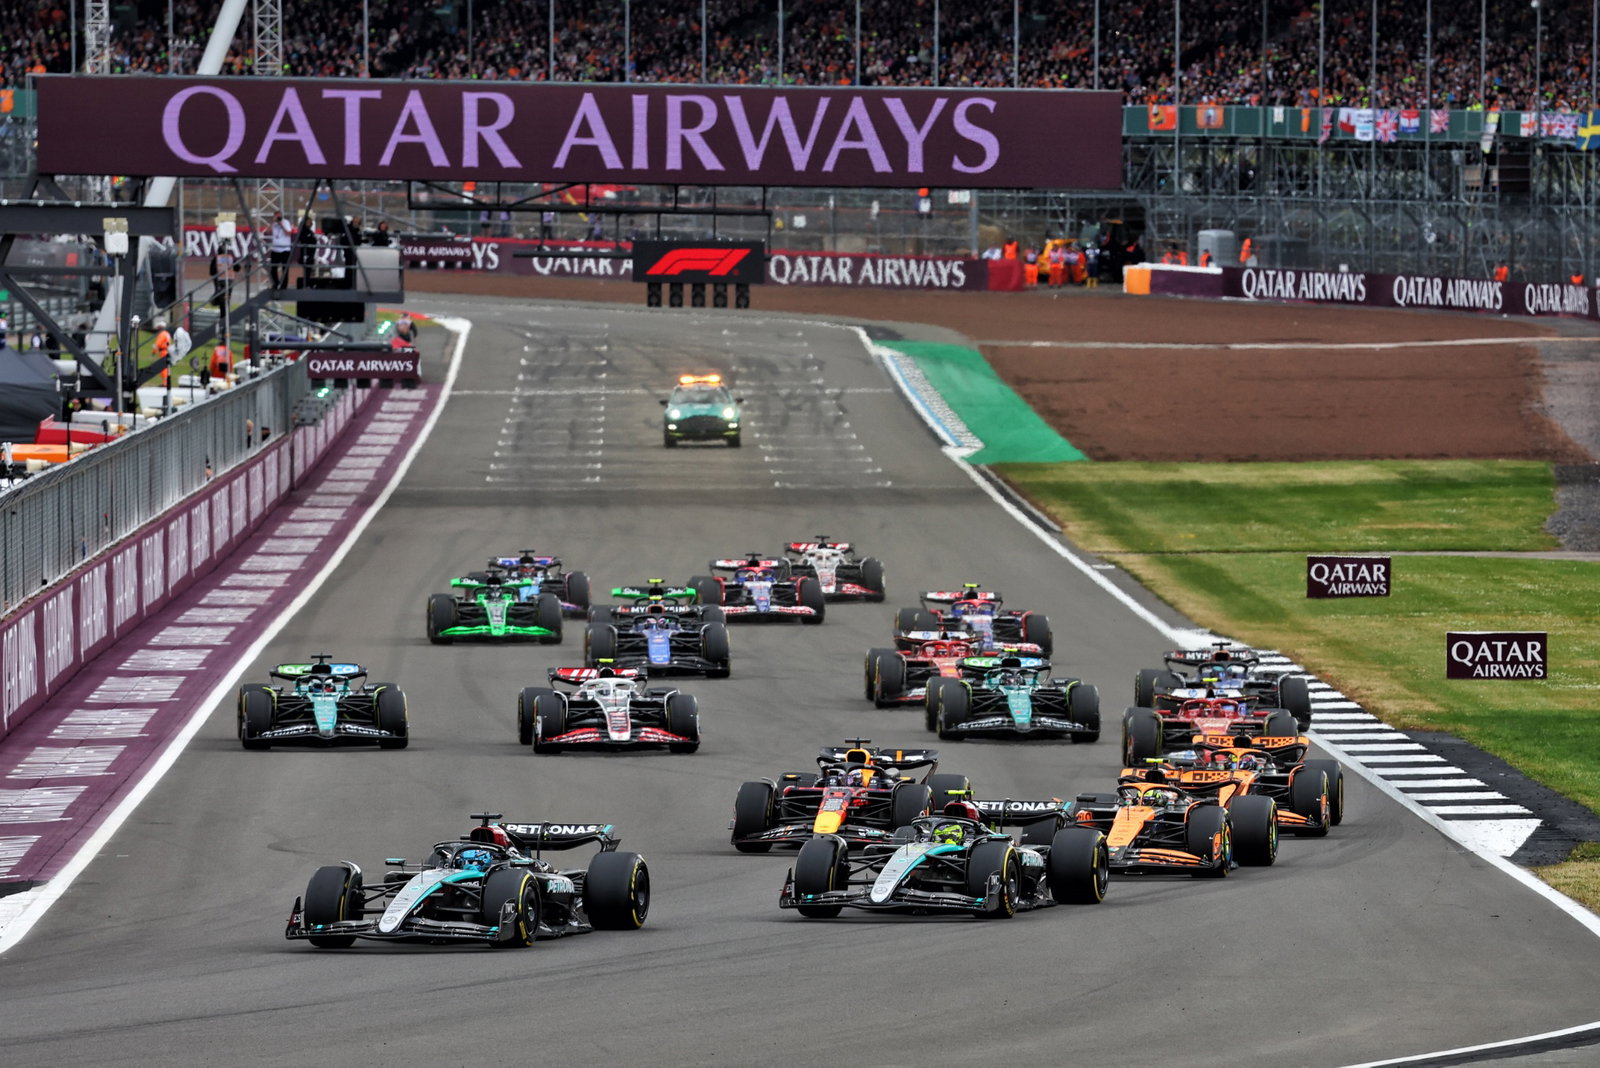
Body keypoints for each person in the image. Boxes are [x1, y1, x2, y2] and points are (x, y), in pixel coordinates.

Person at [267, 211, 295, 288]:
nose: (278, 218)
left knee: (285, 269)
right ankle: (276, 284)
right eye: (276, 216)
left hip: (285, 249)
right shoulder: (274, 224)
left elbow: (288, 233)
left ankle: (284, 285)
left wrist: (281, 225)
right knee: (273, 269)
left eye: (279, 216)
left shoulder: (286, 222)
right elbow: (268, 232)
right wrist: (272, 222)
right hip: (275, 249)